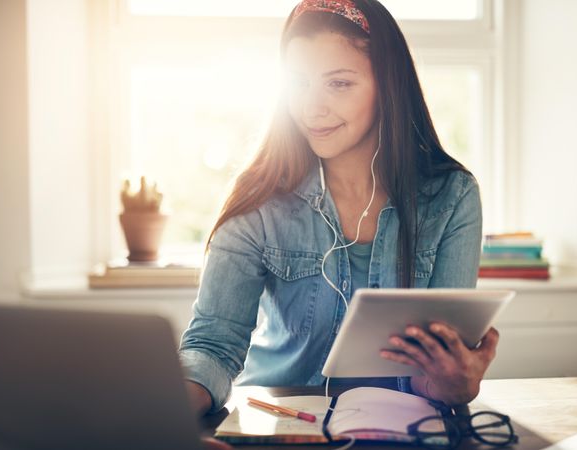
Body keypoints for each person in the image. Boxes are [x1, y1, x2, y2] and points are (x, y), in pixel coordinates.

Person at [179, 0, 499, 418]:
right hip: (282, 425)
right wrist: (165, 413)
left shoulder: (451, 197)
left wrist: (455, 382)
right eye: (298, 82)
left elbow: (436, 369)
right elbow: (213, 346)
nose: (313, 107)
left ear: (388, 86)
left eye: (339, 84)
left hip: (403, 428)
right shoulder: (259, 199)